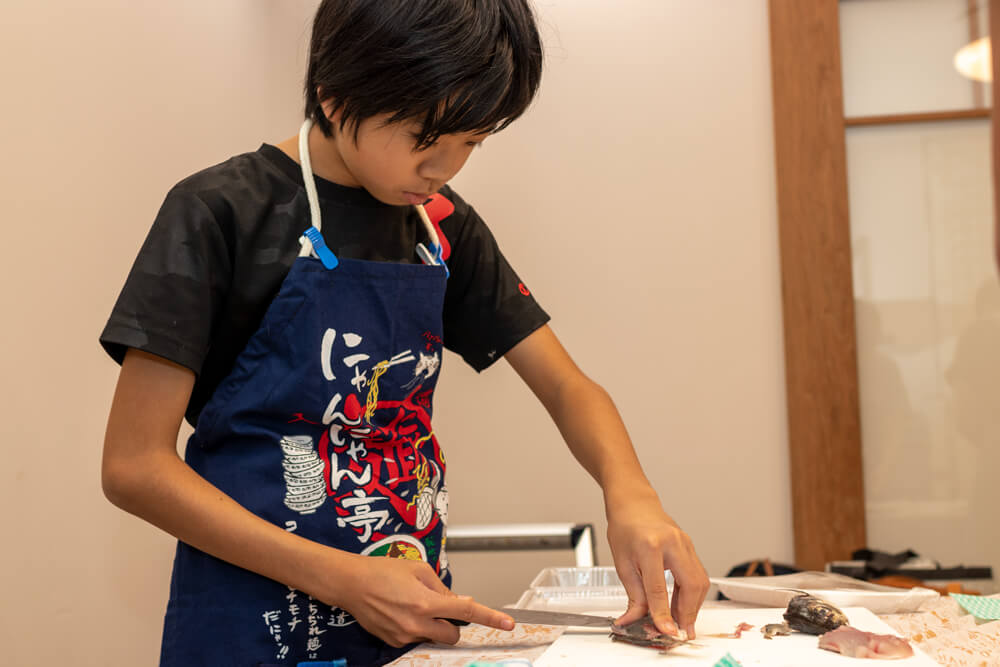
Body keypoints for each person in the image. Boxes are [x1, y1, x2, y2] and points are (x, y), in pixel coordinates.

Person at [100, 1, 709, 664]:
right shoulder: (221, 213)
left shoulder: (442, 226)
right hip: (252, 625)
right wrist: (344, 578)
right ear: (335, 96)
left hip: (410, 622)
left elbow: (568, 387)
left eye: (472, 143)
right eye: (426, 138)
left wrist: (633, 494)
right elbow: (134, 466)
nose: (445, 169)